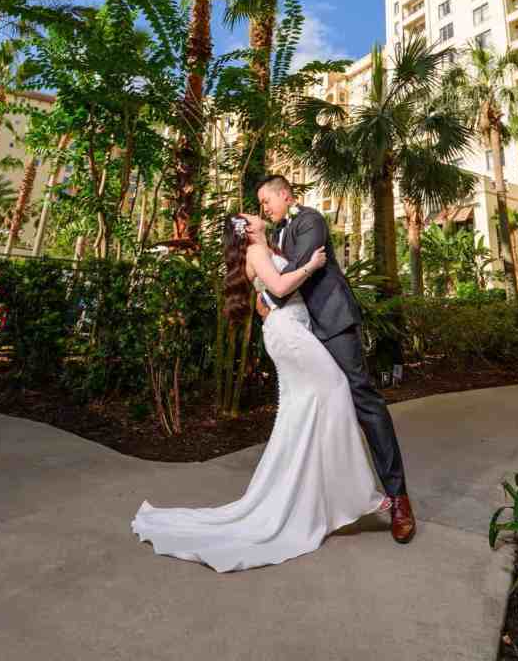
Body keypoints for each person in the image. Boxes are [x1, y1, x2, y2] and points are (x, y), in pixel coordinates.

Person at [131, 212, 390, 572]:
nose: (259, 212)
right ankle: (357, 494)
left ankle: (317, 496)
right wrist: (313, 264)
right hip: (289, 333)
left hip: (294, 329)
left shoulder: (267, 247)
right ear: (247, 229)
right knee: (335, 389)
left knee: (304, 410)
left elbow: (267, 293)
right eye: (253, 213)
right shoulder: (256, 251)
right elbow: (281, 288)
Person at [256, 174, 416, 545]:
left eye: (267, 200)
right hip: (303, 332)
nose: (265, 207)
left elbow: (298, 267)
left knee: (364, 400)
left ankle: (399, 498)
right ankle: (329, 501)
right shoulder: (276, 235)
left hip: (332, 322)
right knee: (316, 408)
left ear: (285, 194)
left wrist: (269, 299)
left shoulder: (310, 219)